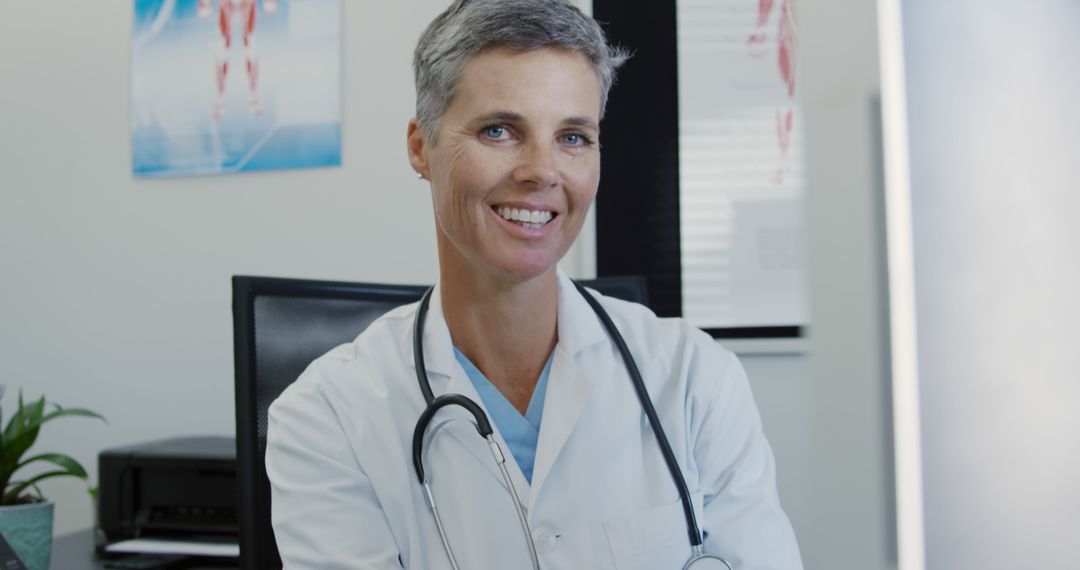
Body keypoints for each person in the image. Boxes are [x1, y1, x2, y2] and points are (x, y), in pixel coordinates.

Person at [265, 1, 803, 568]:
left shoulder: (695, 381)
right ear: (421, 146)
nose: (542, 171)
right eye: (500, 130)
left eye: (573, 137)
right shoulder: (326, 418)